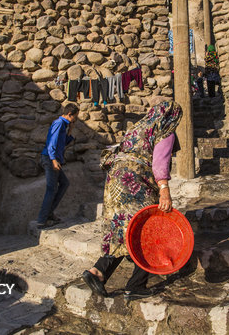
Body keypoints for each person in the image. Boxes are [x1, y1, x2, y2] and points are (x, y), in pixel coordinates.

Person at [82, 100, 182, 301]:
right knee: (147, 229)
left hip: (116, 181)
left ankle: (98, 272)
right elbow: (160, 164)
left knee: (123, 229)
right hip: (135, 181)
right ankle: (136, 285)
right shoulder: (165, 130)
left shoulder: (138, 127)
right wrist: (164, 190)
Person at [36, 103, 79, 229]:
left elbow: (63, 143)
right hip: (50, 159)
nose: (75, 119)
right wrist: (54, 160)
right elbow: (52, 143)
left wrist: (70, 131)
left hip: (53, 159)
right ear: (69, 114)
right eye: (74, 117)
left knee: (64, 183)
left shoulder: (64, 125)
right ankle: (42, 219)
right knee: (51, 189)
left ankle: (49, 214)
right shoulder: (59, 123)